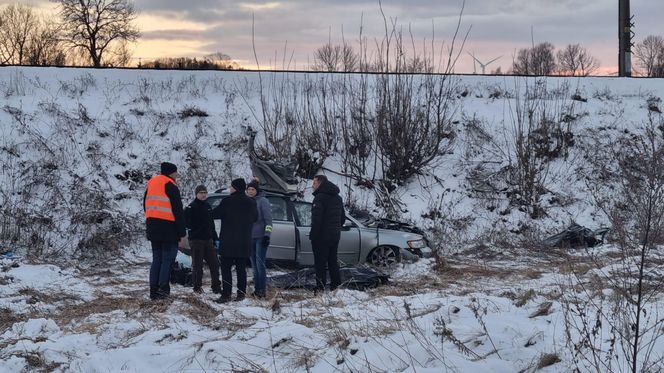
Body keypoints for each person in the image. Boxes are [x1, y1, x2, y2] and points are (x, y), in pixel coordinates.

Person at [144, 162, 186, 300]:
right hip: (168, 229)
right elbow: (178, 210)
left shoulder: (151, 183)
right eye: (175, 172)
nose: (176, 175)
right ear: (170, 173)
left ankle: (153, 290)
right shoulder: (170, 185)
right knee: (167, 260)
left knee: (157, 260)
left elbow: (145, 204)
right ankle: (163, 290)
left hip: (152, 227)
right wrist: (181, 232)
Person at [214, 178, 257, 303]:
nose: (230, 189)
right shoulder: (251, 202)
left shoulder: (227, 201)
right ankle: (241, 294)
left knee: (226, 268)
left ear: (235, 188)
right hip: (244, 241)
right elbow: (255, 218)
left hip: (228, 241)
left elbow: (215, 214)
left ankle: (226, 294)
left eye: (231, 187)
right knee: (241, 269)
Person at [309, 174, 345, 293]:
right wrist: (335, 228)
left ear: (320, 183)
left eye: (314, 183)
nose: (312, 186)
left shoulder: (319, 198)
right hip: (335, 236)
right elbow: (343, 219)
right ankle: (336, 285)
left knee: (320, 263)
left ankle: (320, 287)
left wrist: (313, 235)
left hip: (321, 237)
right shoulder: (338, 198)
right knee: (332, 261)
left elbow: (316, 220)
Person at [184, 185, 221, 294]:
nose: (203, 194)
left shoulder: (208, 206)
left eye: (205, 192)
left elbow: (211, 224)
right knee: (198, 265)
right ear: (196, 194)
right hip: (196, 240)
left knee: (214, 264)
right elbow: (185, 223)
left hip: (208, 240)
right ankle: (197, 287)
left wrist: (215, 238)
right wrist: (193, 231)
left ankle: (216, 286)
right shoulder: (191, 207)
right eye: (201, 192)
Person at [246, 179, 273, 299]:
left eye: (253, 189)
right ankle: (257, 290)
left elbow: (268, 220)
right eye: (249, 189)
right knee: (254, 265)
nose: (251, 191)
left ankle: (262, 290)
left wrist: (267, 235)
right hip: (250, 238)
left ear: (257, 190)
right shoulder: (247, 201)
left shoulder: (263, 201)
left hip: (261, 238)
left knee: (260, 264)